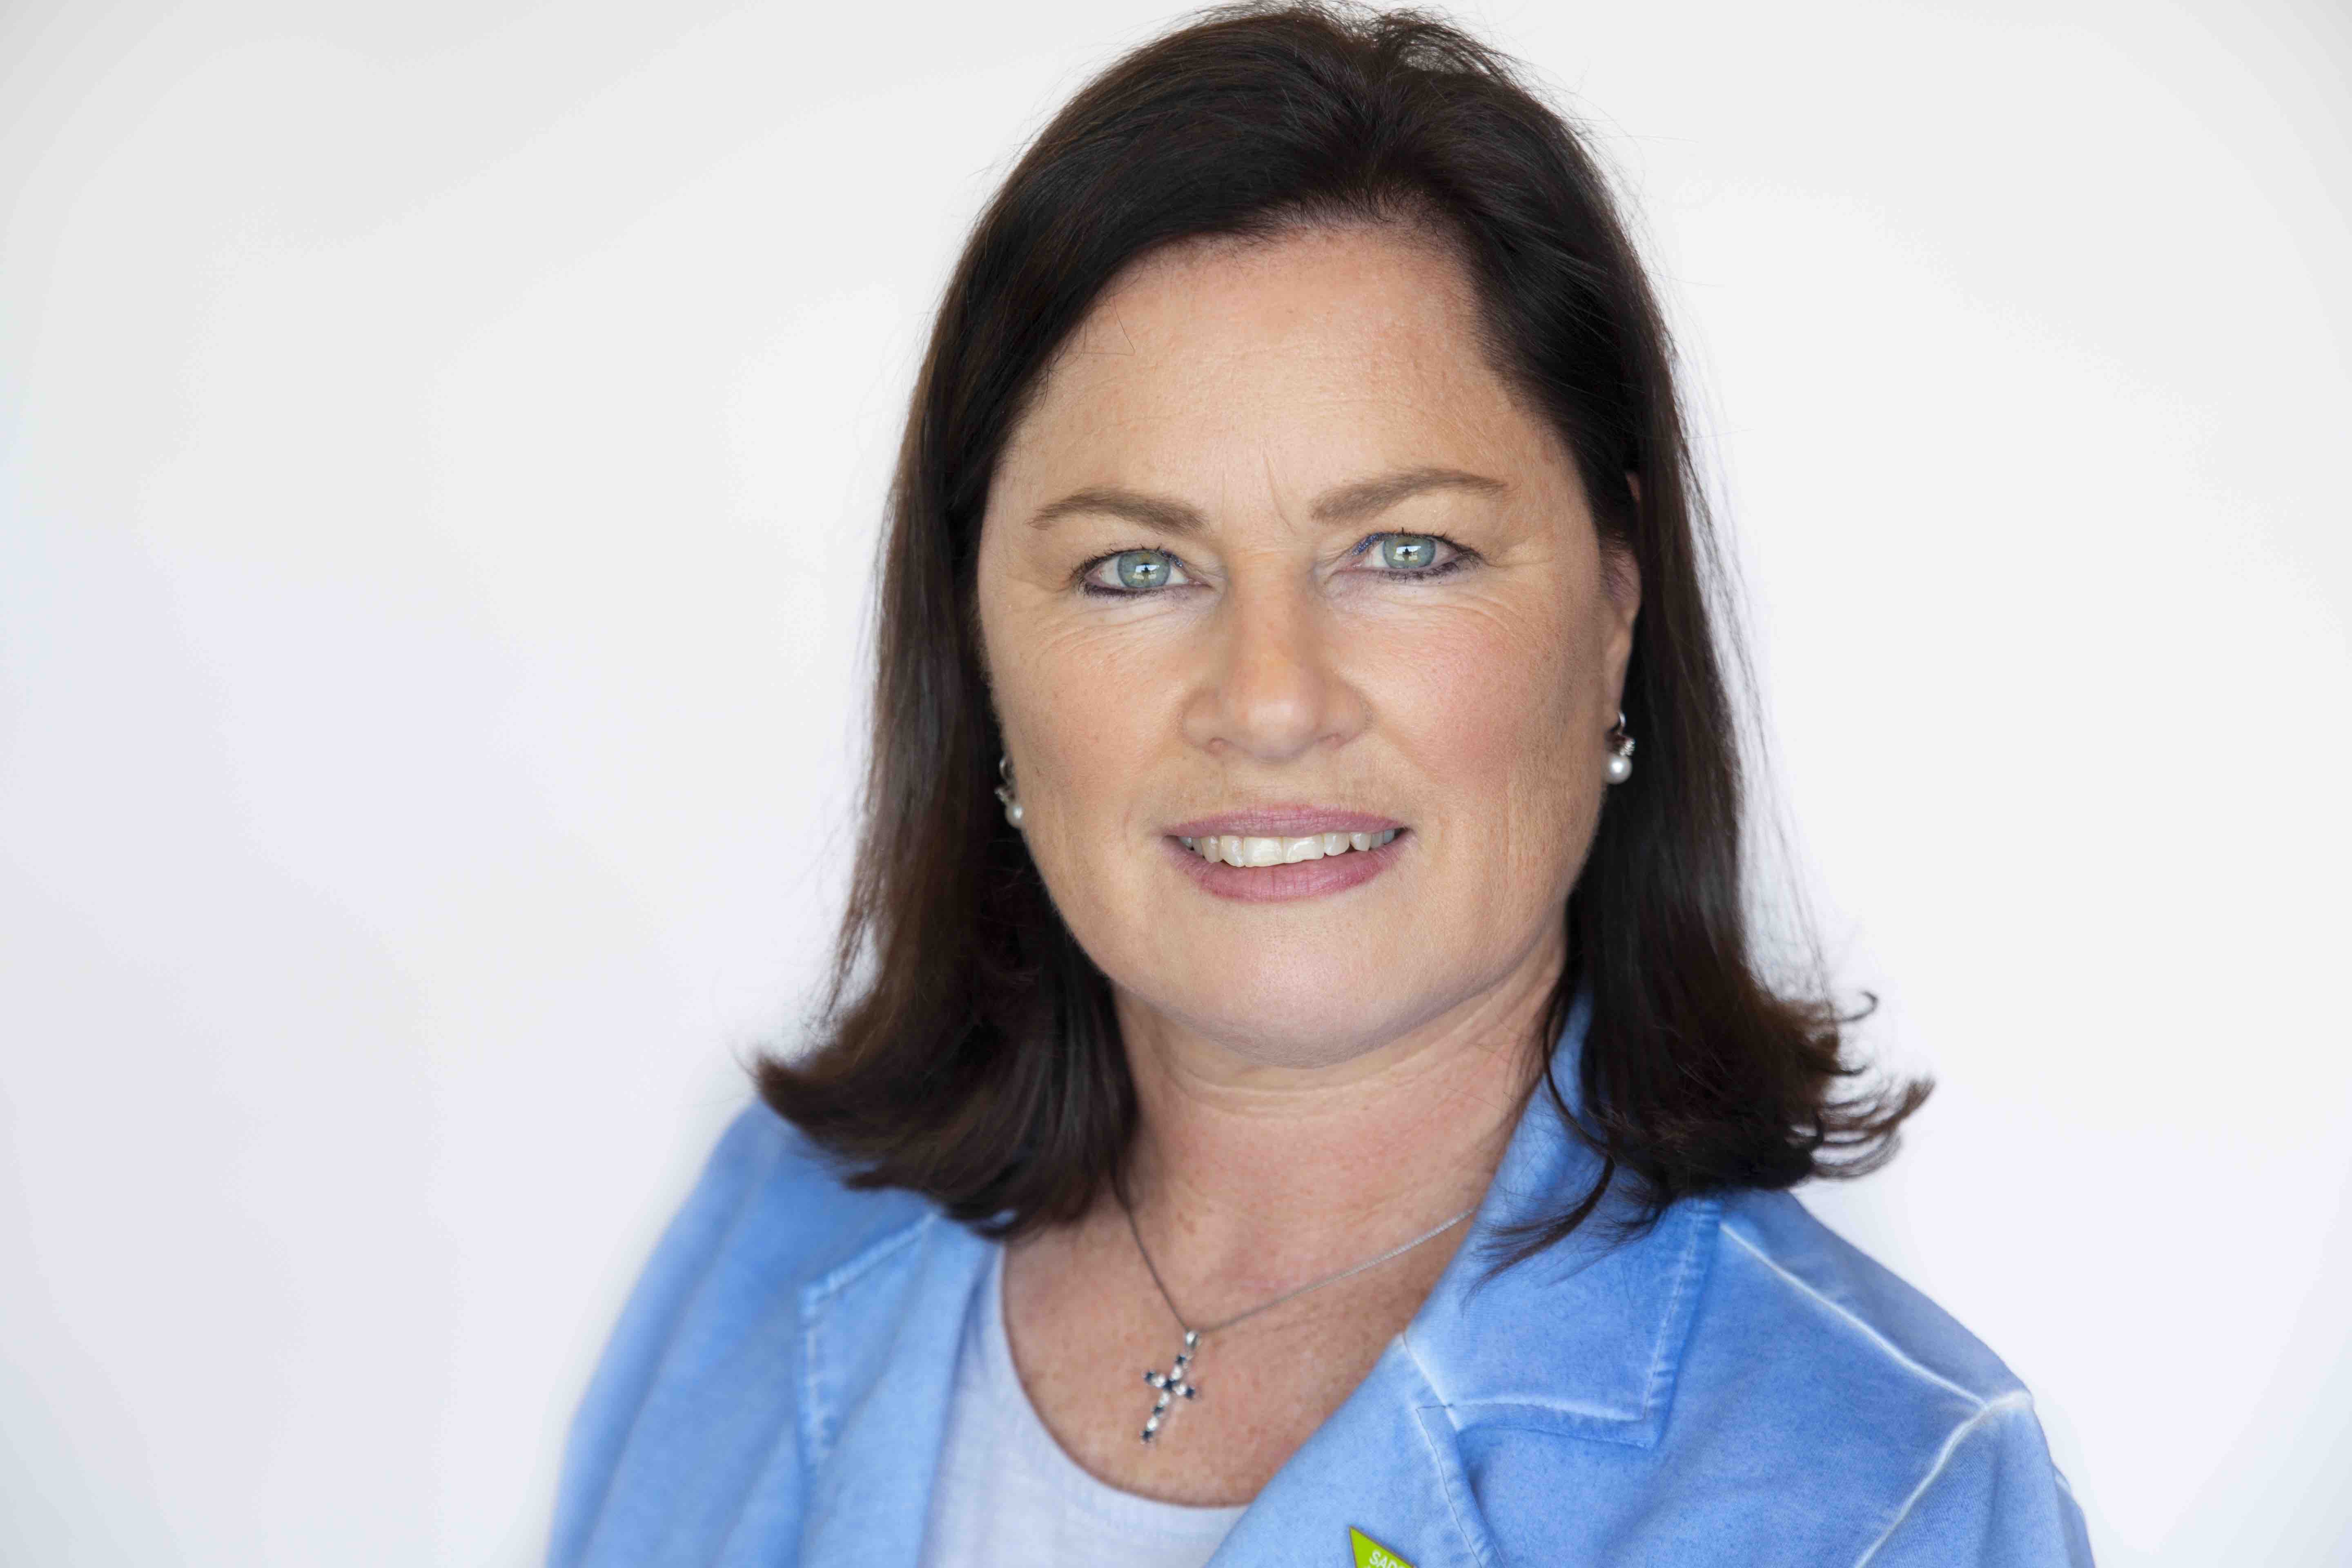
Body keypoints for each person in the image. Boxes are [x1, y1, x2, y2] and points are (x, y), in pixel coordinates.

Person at [544, 3, 2094, 1564]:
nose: (1272, 703)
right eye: (1135, 566)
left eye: (1405, 551)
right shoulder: (773, 1230)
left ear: (1617, 607)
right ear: (975, 637)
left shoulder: (1891, 1497)